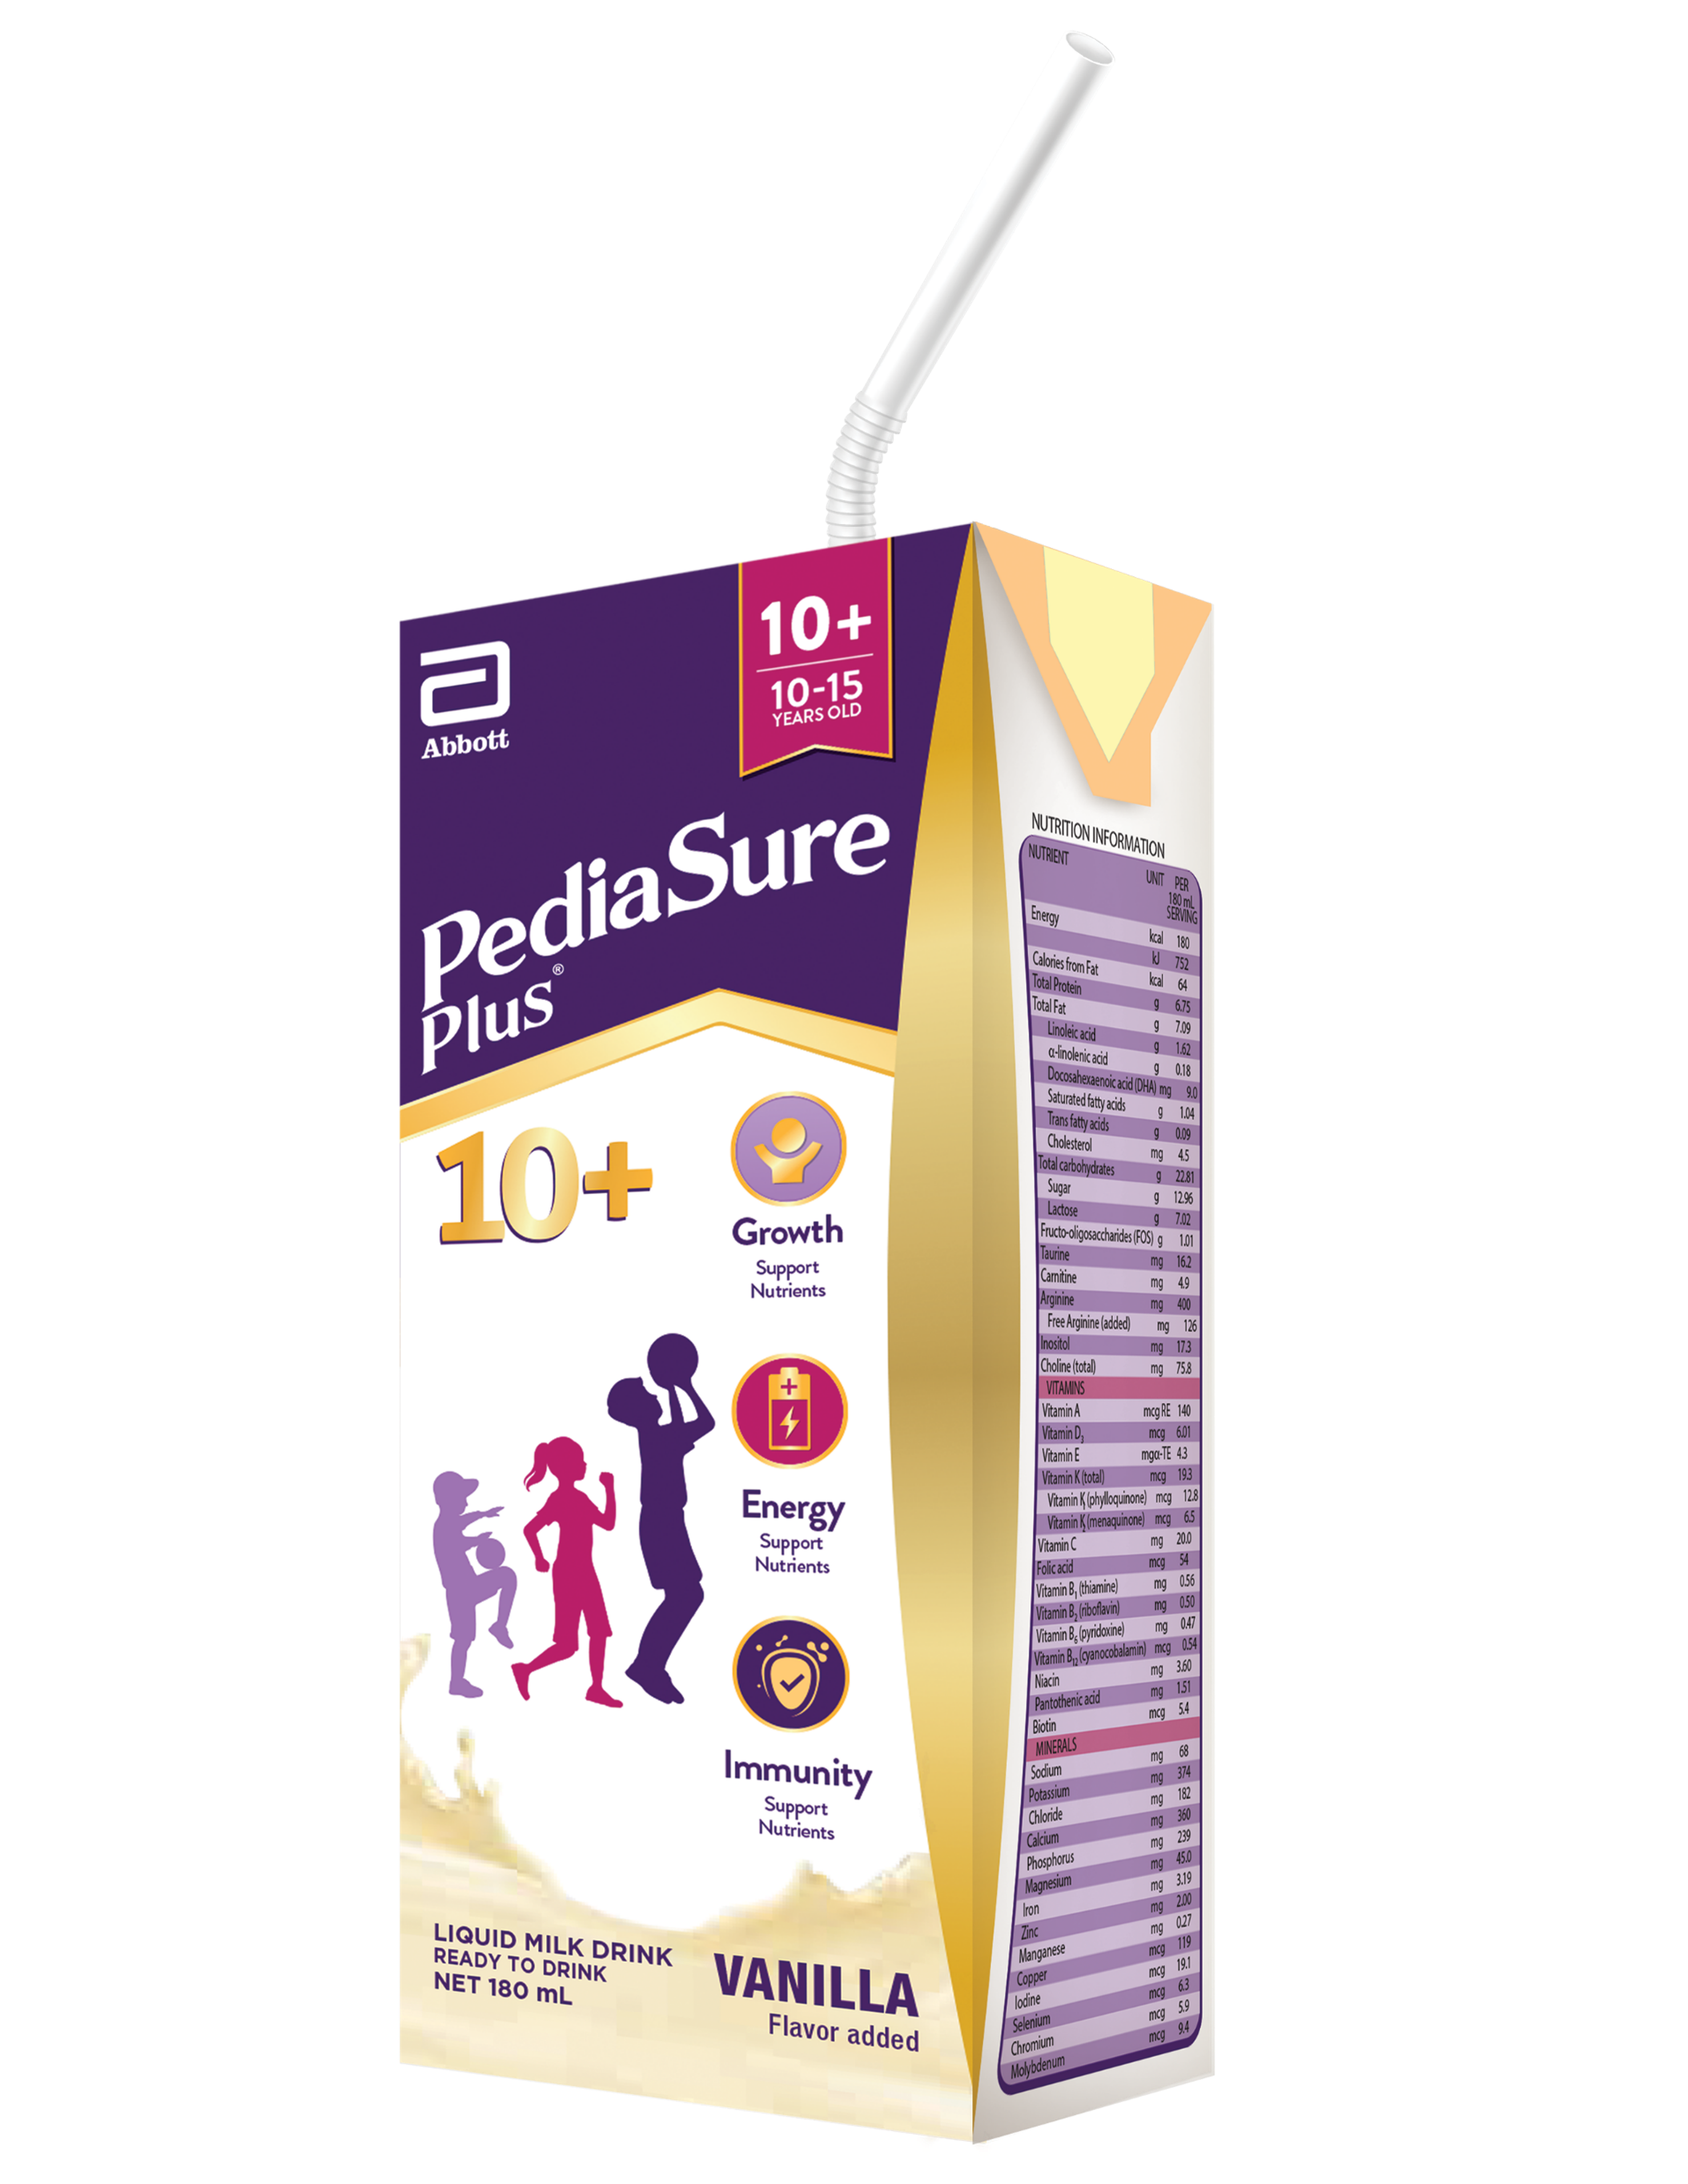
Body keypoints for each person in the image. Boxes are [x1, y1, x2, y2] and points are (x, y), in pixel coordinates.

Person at [607, 1357, 714, 1704]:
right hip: (662, 1524)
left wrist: (674, 1389)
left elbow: (685, 1425)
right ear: (638, 1409)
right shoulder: (656, 1437)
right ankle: (648, 1666)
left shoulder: (657, 1434)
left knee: (685, 1596)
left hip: (665, 1522)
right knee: (686, 1596)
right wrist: (683, 1387)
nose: (654, 1395)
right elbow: (705, 1423)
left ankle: (649, 1665)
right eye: (648, 1394)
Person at [513, 1438, 621, 1710]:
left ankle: (596, 1688)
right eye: (580, 1461)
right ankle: (525, 1669)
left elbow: (607, 1523)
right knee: (567, 1646)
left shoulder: (580, 1497)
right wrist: (539, 1557)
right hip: (568, 1573)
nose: (585, 1465)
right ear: (566, 1468)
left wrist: (609, 1489)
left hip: (586, 1571)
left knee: (599, 1631)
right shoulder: (561, 1498)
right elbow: (530, 1529)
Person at [431, 1471, 516, 1698]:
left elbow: (463, 1521)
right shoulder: (442, 1527)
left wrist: (484, 1514)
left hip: (469, 1587)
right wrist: (478, 1540)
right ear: (448, 1500)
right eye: (462, 1498)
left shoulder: (449, 1522)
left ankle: (499, 1627)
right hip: (460, 1593)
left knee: (508, 1577)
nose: (466, 1503)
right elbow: (456, 1543)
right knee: (463, 1640)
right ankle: (456, 1683)